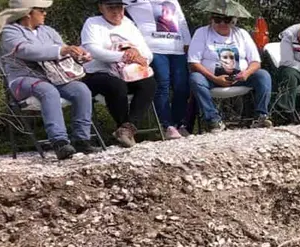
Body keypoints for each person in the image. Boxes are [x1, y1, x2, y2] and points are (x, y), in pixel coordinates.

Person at [0, 0, 96, 159]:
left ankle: (82, 139)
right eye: (41, 10)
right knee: (47, 90)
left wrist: (78, 55)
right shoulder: (10, 32)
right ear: (27, 13)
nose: (45, 13)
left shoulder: (48, 31)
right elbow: (27, 50)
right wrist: (62, 50)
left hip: (53, 78)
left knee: (81, 90)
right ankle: (60, 142)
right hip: (22, 80)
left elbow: (63, 51)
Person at [81, 0, 158, 148]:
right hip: (98, 72)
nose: (116, 11)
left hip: (128, 72)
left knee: (149, 83)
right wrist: (123, 56)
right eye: (111, 7)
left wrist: (138, 55)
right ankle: (123, 128)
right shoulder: (93, 23)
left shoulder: (128, 24)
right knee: (116, 85)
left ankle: (127, 129)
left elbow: (147, 53)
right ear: (101, 8)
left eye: (119, 7)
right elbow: (93, 51)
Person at [187, 0, 272, 132]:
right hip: (211, 79)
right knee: (195, 78)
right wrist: (215, 78)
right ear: (211, 20)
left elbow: (256, 62)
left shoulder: (241, 34)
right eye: (217, 19)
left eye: (227, 20)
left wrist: (247, 73)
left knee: (263, 75)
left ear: (233, 21)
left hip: (239, 78)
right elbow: (193, 62)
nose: (222, 23)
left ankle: (261, 116)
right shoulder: (202, 33)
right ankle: (213, 120)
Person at [124, 0, 192, 139]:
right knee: (163, 85)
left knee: (182, 86)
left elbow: (181, 20)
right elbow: (118, 8)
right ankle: (167, 125)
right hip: (154, 48)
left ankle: (179, 123)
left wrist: (188, 42)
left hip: (177, 48)